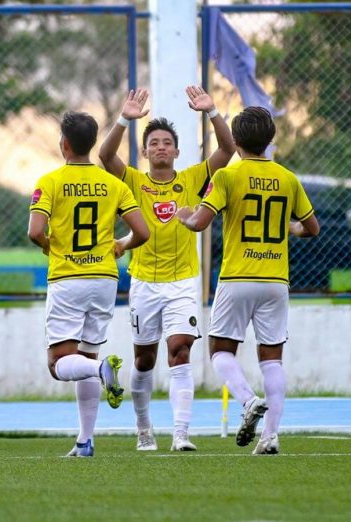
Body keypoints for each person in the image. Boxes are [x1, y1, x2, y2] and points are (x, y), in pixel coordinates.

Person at [98, 86, 235, 451]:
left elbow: (227, 150)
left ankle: (181, 433)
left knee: (180, 350)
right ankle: (144, 428)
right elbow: (104, 155)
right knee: (145, 358)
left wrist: (211, 112)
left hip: (183, 282)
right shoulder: (133, 181)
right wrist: (124, 119)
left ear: (176, 151)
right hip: (143, 282)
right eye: (154, 142)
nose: (160, 147)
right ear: (144, 151)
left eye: (166, 143)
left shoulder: (191, 178)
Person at [176, 106, 319, 455]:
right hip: (275, 280)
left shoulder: (227, 177)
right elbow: (312, 228)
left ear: (236, 141)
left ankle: (247, 400)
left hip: (239, 275)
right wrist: (287, 227)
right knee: (272, 359)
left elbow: (199, 223)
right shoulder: (288, 178)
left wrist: (184, 216)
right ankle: (270, 437)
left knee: (220, 350)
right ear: (270, 140)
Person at [28, 111, 149, 457]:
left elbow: (35, 231)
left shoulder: (50, 181)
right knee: (87, 351)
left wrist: (51, 247)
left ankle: (100, 371)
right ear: (91, 143)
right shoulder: (114, 184)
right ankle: (85, 440)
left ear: (64, 144)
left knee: (59, 363)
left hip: (68, 278)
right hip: (104, 280)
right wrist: (121, 246)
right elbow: (142, 232)